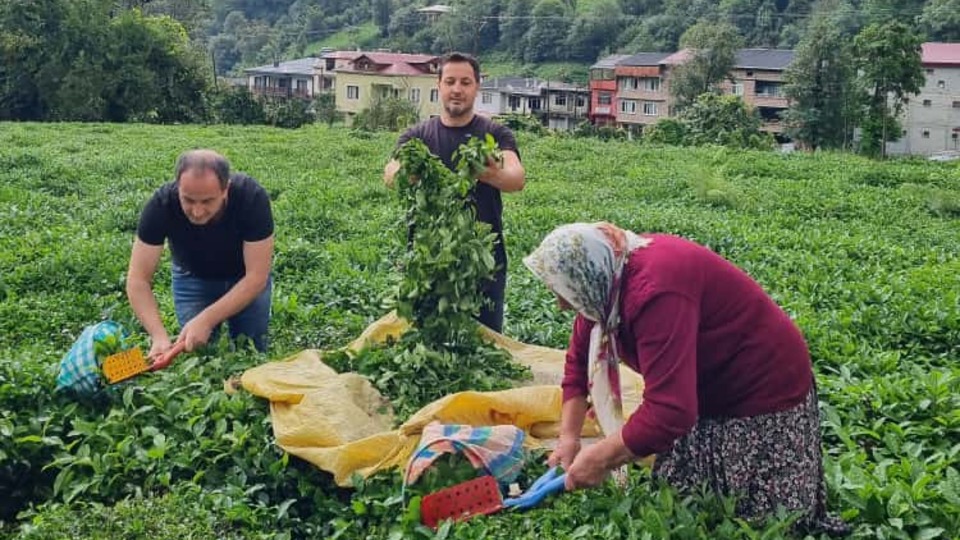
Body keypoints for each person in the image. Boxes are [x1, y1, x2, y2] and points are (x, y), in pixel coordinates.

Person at [522, 222, 848, 535]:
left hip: (760, 384)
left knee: (761, 519)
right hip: (702, 387)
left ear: (588, 274)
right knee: (685, 499)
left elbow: (670, 411)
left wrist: (601, 457)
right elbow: (578, 365)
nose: (562, 305)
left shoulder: (656, 292)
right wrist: (569, 439)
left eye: (564, 292)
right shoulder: (603, 283)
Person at [383, 52, 525, 333]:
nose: (457, 89)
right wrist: (410, 173)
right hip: (427, 260)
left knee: (485, 343)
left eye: (465, 82)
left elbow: (516, 178)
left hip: (483, 262)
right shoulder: (417, 136)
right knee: (426, 341)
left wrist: (486, 172)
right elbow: (390, 175)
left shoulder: (496, 135)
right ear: (439, 86)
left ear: (477, 87)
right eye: (450, 81)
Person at [126, 149, 275, 358]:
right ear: (178, 187)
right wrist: (159, 336)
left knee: (251, 349)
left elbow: (257, 277)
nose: (197, 211)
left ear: (226, 190)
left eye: (207, 201)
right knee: (197, 353)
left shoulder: (251, 198)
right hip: (192, 278)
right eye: (188, 200)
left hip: (245, 279)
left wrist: (206, 319)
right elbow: (137, 280)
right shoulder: (161, 205)